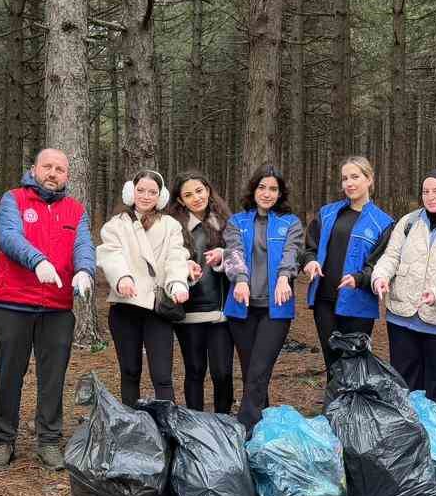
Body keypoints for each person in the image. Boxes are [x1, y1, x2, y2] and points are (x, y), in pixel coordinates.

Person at [0, 147, 96, 471]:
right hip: (14, 302)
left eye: (59, 169)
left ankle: (48, 440)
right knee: (9, 374)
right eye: (47, 167)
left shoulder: (75, 210)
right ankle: (2, 440)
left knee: (53, 377)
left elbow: (84, 245)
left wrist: (85, 270)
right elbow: (8, 236)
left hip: (57, 307)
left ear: (67, 175)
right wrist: (37, 260)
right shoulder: (14, 199)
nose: (53, 173)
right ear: (34, 169)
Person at [370, 169, 436, 417]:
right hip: (402, 316)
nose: (431, 197)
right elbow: (391, 257)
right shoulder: (408, 222)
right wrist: (381, 277)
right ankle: (407, 437)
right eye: (426, 192)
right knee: (404, 382)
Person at [96, 169, 190, 406]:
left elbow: (176, 256)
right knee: (130, 371)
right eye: (141, 190)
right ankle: (132, 428)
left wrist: (178, 281)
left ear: (161, 196)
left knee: (162, 376)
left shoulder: (170, 225)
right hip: (126, 306)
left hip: (157, 309)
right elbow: (110, 254)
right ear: (131, 192)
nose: (146, 196)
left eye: (152, 192)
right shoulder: (117, 224)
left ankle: (168, 429)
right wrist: (121, 278)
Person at [223, 165, 303, 433]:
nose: (267, 194)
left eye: (273, 189)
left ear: (280, 193)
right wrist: (241, 280)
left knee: (259, 369)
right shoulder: (237, 221)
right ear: (253, 189)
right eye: (262, 187)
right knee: (251, 373)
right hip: (242, 308)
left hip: (275, 309)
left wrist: (284, 277)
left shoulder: (290, 223)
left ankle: (244, 430)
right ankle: (262, 429)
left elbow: (292, 253)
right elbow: (232, 253)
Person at [300, 156, 392, 370]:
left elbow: (381, 265)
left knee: (354, 366)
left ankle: (355, 404)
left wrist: (359, 278)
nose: (349, 183)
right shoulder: (328, 213)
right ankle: (334, 405)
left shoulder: (383, 222)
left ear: (369, 179)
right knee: (332, 364)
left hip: (358, 305)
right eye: (344, 179)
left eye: (355, 177)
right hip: (324, 301)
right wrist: (310, 262)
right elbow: (309, 248)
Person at [170, 170, 235, 414]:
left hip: (221, 312)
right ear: (180, 200)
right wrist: (183, 268)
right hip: (190, 312)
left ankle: (224, 423)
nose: (196, 198)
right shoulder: (174, 227)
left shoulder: (227, 222)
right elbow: (167, 260)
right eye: (188, 195)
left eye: (199, 191)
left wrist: (224, 255)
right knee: (195, 370)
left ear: (208, 190)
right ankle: (195, 425)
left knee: (222, 372)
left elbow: (240, 257)